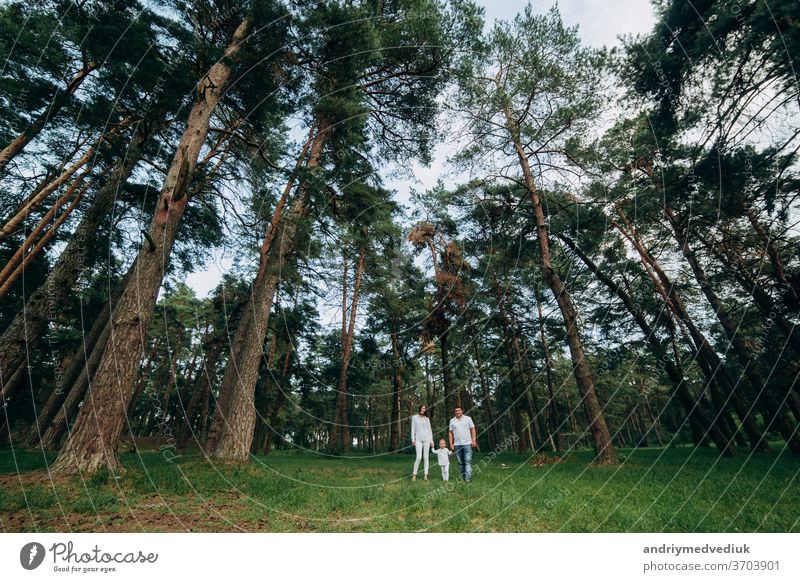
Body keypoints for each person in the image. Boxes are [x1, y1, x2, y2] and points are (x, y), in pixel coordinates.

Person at [448, 406, 476, 482]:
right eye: (456, 411)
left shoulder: (468, 419)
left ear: (462, 411)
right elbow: (450, 433)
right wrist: (451, 444)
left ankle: (467, 479)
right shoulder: (452, 421)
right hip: (457, 445)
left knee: (467, 461)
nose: (457, 412)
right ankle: (464, 477)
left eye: (459, 410)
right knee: (460, 463)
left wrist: (473, 440)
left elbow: (472, 429)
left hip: (467, 443)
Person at [410, 404, 433, 481]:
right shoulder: (414, 418)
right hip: (418, 440)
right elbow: (413, 429)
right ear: (419, 409)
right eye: (422, 408)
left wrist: (431, 440)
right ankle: (414, 474)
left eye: (425, 409)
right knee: (419, 457)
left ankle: (425, 475)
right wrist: (413, 439)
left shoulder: (427, 419)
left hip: (427, 439)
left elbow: (429, 430)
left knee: (426, 457)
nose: (423, 409)